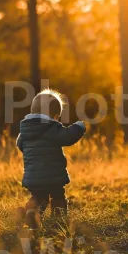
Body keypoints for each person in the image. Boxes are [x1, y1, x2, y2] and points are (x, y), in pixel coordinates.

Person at [16, 89, 86, 221]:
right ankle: (58, 220)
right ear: (54, 116)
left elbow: (20, 145)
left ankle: (30, 213)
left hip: (33, 176)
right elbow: (68, 137)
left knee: (38, 197)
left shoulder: (24, 131)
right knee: (58, 196)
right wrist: (79, 127)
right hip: (53, 176)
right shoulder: (52, 128)